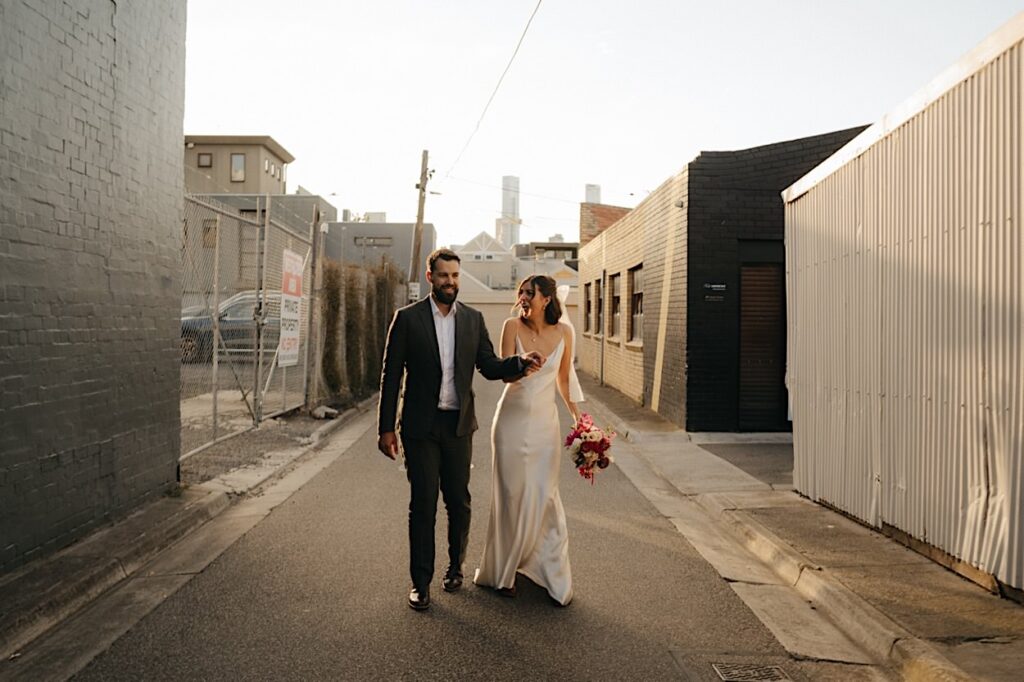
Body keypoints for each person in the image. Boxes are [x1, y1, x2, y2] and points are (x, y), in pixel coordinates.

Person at [377, 248, 545, 612]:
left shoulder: (472, 319)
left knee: (458, 500)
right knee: (423, 504)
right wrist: (386, 428)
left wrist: (519, 363)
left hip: (458, 426)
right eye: (443, 276)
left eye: (455, 276)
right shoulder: (407, 319)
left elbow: (488, 365)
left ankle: (455, 567)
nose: (450, 282)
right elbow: (392, 375)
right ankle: (420, 584)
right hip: (420, 428)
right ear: (430, 277)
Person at [474, 275, 583, 606]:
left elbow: (564, 381)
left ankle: (551, 573)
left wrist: (580, 420)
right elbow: (505, 373)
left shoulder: (565, 333)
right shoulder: (511, 326)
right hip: (510, 422)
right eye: (520, 292)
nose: (522, 297)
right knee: (510, 495)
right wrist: (523, 365)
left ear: (546, 299)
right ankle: (504, 572)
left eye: (529, 293)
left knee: (543, 494)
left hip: (544, 427)